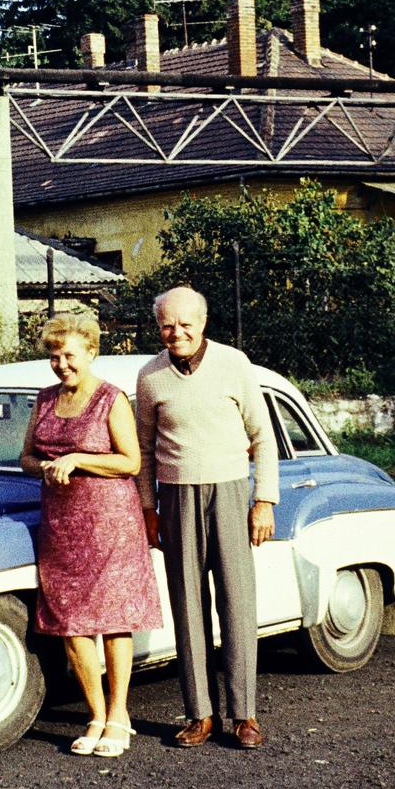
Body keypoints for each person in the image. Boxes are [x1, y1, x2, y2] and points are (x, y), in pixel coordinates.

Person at [135, 286, 278, 750]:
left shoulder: (235, 364)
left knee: (237, 601)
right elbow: (142, 450)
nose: (176, 333)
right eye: (166, 325)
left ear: (203, 322)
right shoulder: (150, 376)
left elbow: (263, 436)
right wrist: (148, 509)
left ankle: (244, 715)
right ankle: (200, 713)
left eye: (184, 324)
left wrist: (264, 501)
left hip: (232, 494)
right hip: (175, 499)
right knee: (188, 604)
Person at [20, 313, 162, 758]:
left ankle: (119, 714)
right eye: (53, 355)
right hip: (61, 523)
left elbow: (131, 463)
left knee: (113, 618)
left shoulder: (110, 399)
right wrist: (44, 466)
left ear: (91, 353)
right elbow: (25, 457)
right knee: (71, 620)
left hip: (110, 522)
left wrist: (78, 458)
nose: (61, 364)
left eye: (69, 355)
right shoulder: (44, 400)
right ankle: (95, 714)